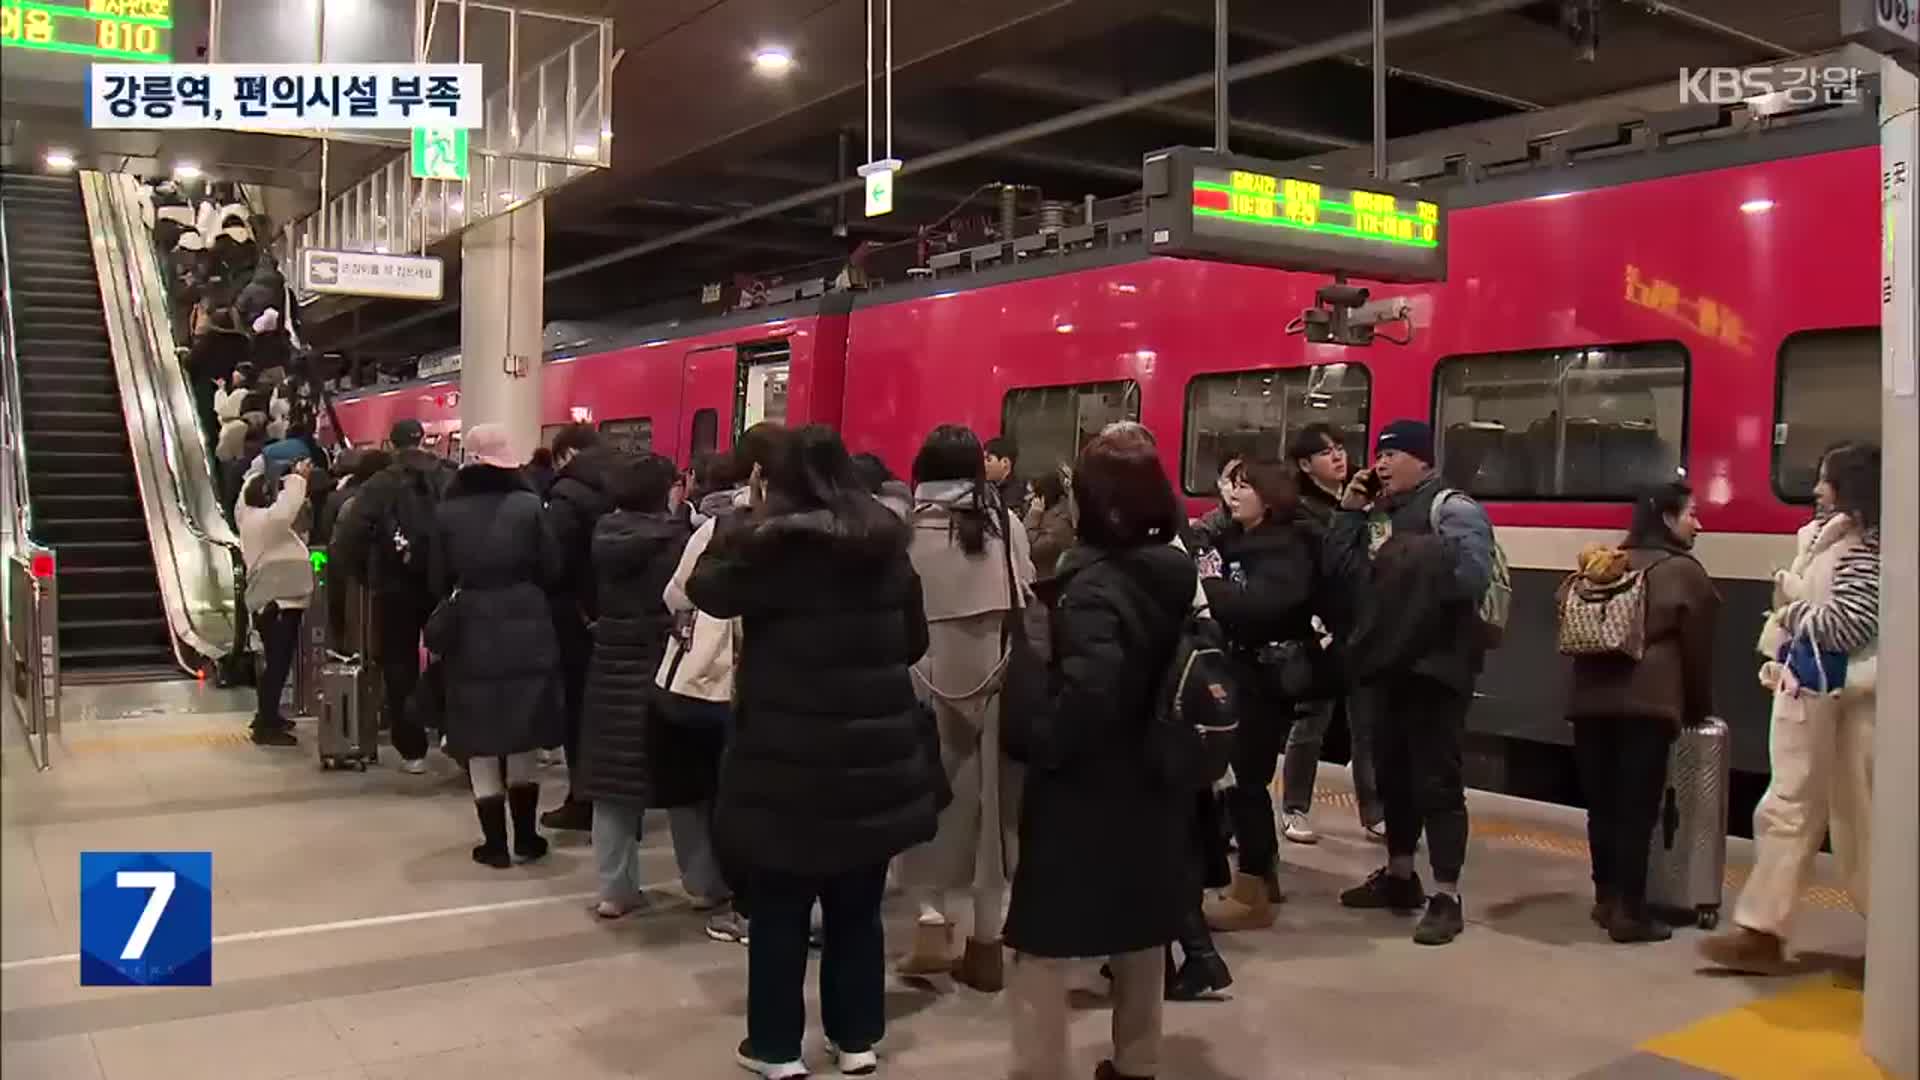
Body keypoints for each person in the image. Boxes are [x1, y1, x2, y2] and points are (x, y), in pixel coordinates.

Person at [686, 424, 941, 1079]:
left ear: (777, 482)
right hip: (870, 762)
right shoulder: (887, 548)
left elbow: (703, 588)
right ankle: (856, 1040)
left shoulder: (772, 548)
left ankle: (775, 1051)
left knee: (779, 912)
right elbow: (912, 643)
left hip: (785, 763)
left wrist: (745, 512)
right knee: (857, 909)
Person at [1000, 430, 1196, 1080]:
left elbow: (1091, 689)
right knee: (1142, 929)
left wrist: (1044, 740)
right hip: (1156, 774)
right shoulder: (1175, 571)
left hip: (1088, 786)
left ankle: (1038, 1069)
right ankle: (1138, 1061)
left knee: (1040, 940)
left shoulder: (1094, 587)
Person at [1701, 442, 1880, 974]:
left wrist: (1790, 607)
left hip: (1854, 708)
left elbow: (1845, 626)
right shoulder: (1831, 539)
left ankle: (1899, 947)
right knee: (1787, 809)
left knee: (1861, 823)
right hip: (1814, 696)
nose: (1818, 489)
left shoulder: (1869, 550)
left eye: (1826, 480)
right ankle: (1761, 932)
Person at [1326, 420, 1496, 947]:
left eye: (1393, 454)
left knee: (1437, 780)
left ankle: (1447, 894)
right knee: (1393, 773)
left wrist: (1405, 565)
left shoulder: (1454, 510)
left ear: (1422, 461)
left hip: (1435, 667)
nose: (1380, 463)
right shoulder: (1378, 512)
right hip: (1387, 663)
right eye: (1378, 453)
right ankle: (1400, 875)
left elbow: (1470, 578)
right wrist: (1350, 511)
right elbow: (1339, 570)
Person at [895, 425, 1035, 991]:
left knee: (926, 806)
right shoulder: (1006, 525)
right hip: (996, 689)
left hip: (922, 689)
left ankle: (930, 927)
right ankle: (986, 945)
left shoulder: (904, 530)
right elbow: (1025, 591)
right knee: (990, 816)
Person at [1563, 481, 1718, 942]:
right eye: (1692, 513)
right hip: (1647, 705)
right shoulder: (1683, 573)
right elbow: (1698, 651)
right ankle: (1630, 912)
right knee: (1636, 809)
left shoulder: (1607, 563)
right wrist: (1697, 707)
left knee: (1602, 806)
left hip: (1589, 703)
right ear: (1668, 518)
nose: (1698, 523)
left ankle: (1605, 899)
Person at [659, 424, 785, 943]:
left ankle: (736, 899)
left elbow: (678, 595)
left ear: (754, 471)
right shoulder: (829, 527)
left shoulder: (723, 527)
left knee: (721, 793)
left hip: (719, 685)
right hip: (790, 689)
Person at [429, 423, 563, 869]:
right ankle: (527, 838)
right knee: (522, 732)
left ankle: (494, 845)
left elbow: (436, 577)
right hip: (528, 623)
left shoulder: (448, 512)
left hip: (471, 627)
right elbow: (553, 566)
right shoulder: (529, 505)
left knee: (481, 736)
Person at [1199, 458, 1322, 934]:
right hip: (1242, 669)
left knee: (1248, 780)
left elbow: (1259, 608)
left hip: (1266, 675)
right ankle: (1257, 878)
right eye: (1230, 485)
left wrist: (1211, 589)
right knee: (1239, 780)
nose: (1232, 495)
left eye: (1244, 487)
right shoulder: (1236, 539)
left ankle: (1254, 889)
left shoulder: (1288, 548)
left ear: (1269, 497)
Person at [577, 453, 693, 918]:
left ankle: (615, 891)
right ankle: (703, 882)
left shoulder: (603, 534)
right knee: (687, 780)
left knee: (613, 783)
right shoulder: (679, 540)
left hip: (610, 661)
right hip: (665, 658)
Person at [330, 419, 454, 774]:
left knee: (400, 666)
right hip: (441, 587)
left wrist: (366, 576)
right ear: (424, 441)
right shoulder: (448, 477)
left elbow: (349, 537)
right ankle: (450, 731)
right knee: (449, 655)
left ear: (392, 444)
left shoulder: (378, 485)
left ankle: (412, 749)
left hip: (394, 587)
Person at [1280, 423, 1383, 844]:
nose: (1338, 457)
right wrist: (1350, 512)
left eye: (1340, 448)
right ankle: (1295, 808)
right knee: (1312, 721)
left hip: (1362, 623)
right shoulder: (1301, 508)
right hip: (1320, 627)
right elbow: (1325, 559)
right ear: (1306, 465)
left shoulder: (1369, 496)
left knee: (1367, 724)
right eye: (1326, 453)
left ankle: (1374, 811)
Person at [540, 423, 619, 832]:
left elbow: (554, 562)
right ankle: (619, 800)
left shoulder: (567, 495)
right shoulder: (626, 482)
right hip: (624, 617)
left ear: (567, 454)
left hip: (578, 620)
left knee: (578, 711)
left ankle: (583, 798)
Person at [237, 457, 314, 748]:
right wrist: (296, 479)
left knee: (277, 663)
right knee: (277, 664)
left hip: (280, 603)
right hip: (277, 605)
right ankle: (266, 724)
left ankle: (267, 715)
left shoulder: (253, 519)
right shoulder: (264, 521)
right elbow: (286, 510)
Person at [1022, 467, 1074, 585]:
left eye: (1035, 494)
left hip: (1048, 582)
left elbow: (1034, 549)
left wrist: (1033, 516)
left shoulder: (1063, 520)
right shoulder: (1043, 511)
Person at [984, 435, 1022, 509]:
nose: (983, 464)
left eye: (988, 460)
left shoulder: (1015, 494)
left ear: (1005, 463)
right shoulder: (989, 486)